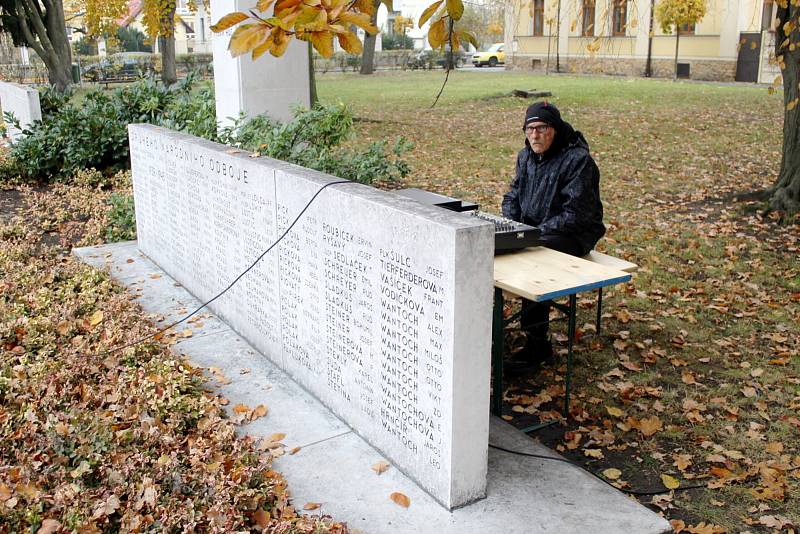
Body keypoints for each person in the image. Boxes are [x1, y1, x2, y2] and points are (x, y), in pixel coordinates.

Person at [501, 101, 605, 368]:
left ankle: (538, 343)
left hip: (573, 233)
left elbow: (576, 215)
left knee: (533, 259)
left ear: (555, 130)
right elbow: (512, 195)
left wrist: (532, 235)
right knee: (498, 247)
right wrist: (514, 227)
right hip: (535, 230)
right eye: (530, 128)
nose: (535, 135)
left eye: (542, 128)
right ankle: (491, 327)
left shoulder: (577, 161)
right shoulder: (525, 157)